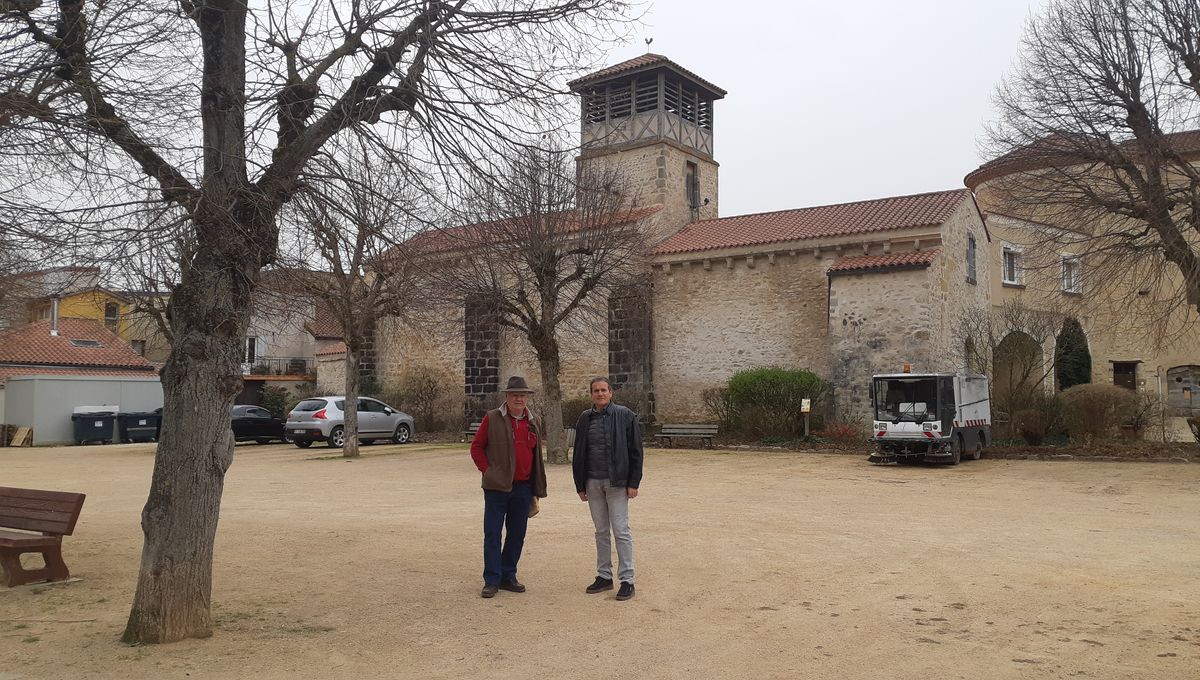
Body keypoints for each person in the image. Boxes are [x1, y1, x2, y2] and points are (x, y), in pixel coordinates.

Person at [470, 375, 547, 598]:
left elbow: (536, 456)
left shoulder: (532, 421)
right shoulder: (492, 418)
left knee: (517, 534)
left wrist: (535, 485)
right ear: (507, 396)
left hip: (523, 487)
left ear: (527, 398)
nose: (519, 399)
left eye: (522, 395)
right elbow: (476, 447)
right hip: (496, 488)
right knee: (492, 533)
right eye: (515, 395)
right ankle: (491, 580)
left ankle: (508, 575)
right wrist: (488, 471)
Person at [572, 376, 643, 601]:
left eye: (604, 390)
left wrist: (634, 482)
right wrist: (580, 485)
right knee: (601, 531)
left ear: (611, 393)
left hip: (617, 483)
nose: (600, 394)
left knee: (621, 530)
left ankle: (627, 579)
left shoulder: (625, 416)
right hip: (593, 483)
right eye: (596, 391)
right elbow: (579, 453)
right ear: (591, 394)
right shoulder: (584, 418)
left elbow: (636, 451)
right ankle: (604, 575)